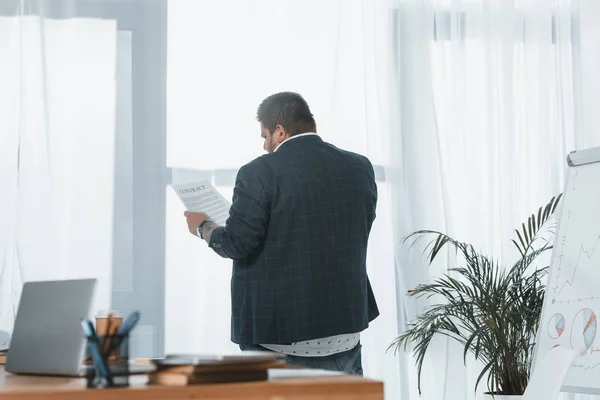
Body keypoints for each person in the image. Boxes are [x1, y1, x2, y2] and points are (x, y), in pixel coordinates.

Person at [184, 92, 379, 375]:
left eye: (264, 136)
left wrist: (204, 227)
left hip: (279, 337)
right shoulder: (360, 166)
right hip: (344, 332)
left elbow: (237, 244)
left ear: (279, 131)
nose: (265, 146)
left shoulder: (260, 172)